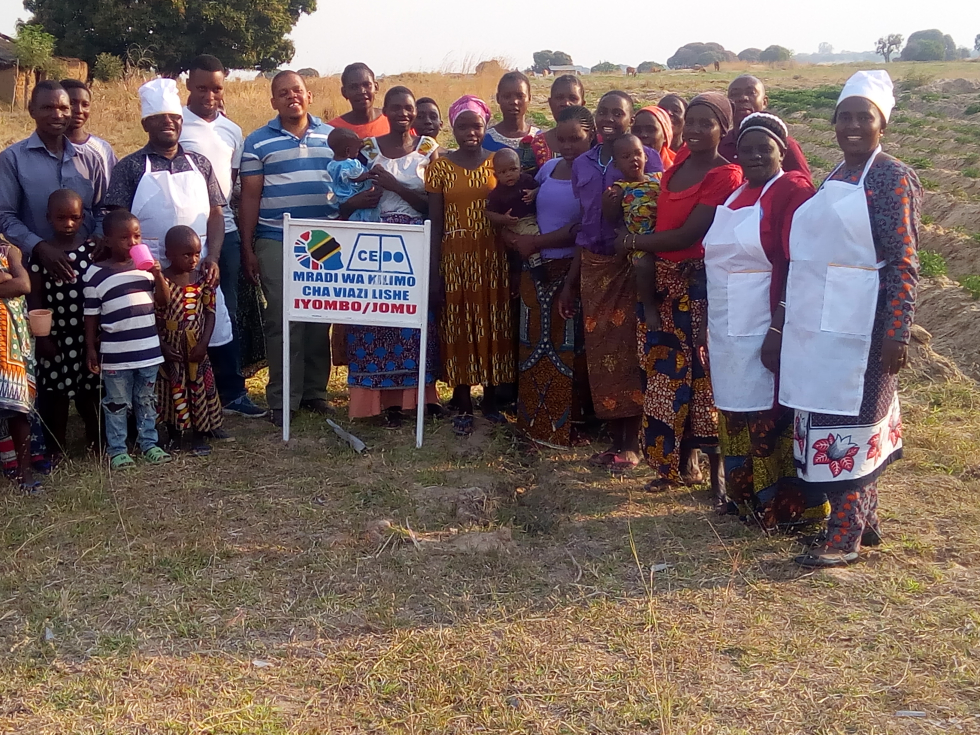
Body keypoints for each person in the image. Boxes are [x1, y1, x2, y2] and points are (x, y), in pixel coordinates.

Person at [779, 71, 920, 567]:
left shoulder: (891, 177)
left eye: (866, 117)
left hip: (865, 321)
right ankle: (864, 520)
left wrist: (897, 331)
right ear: (834, 122)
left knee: (853, 421)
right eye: (846, 117)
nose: (854, 125)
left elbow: (904, 259)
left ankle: (844, 536)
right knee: (828, 414)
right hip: (821, 319)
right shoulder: (836, 173)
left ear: (882, 124)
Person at [699, 112, 826, 531]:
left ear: (782, 152)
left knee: (769, 413)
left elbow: (799, 264)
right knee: (735, 409)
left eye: (764, 149)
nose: (754, 156)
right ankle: (746, 500)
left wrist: (778, 327)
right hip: (726, 325)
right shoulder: (737, 195)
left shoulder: (792, 189)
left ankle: (784, 509)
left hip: (765, 320)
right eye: (747, 148)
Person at [622, 92, 742, 497]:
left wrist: (635, 242)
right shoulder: (676, 171)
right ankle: (674, 465)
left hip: (697, 285)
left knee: (702, 377)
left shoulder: (726, 175)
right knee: (665, 378)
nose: (693, 130)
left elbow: (691, 234)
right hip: (662, 282)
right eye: (689, 122)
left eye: (704, 123)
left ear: (722, 129)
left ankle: (715, 475)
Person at [105, 78, 236, 440]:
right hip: (148, 275)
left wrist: (212, 256)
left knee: (200, 344)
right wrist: (142, 267)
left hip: (196, 270)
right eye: (160, 118)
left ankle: (206, 418)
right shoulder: (130, 167)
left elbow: (215, 214)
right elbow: (117, 222)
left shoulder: (199, 162)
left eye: (174, 118)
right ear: (146, 123)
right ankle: (161, 424)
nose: (169, 124)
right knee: (158, 350)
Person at [240, 71, 339, 427]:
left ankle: (315, 393)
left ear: (309, 96)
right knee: (282, 318)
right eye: (283, 93)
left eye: (297, 91)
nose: (291, 97)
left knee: (318, 317)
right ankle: (283, 399)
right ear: (273, 102)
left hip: (324, 241)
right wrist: (249, 247)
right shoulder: (257, 142)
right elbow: (250, 196)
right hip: (275, 238)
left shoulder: (332, 138)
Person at [571, 91, 663, 472]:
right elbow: (585, 223)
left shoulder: (652, 160)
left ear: (629, 119)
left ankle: (634, 443)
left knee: (631, 351)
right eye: (603, 111)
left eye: (618, 112)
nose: (609, 118)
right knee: (603, 355)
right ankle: (615, 441)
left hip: (634, 262)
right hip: (595, 264)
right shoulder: (582, 163)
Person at [346, 86, 441, 425]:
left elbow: (432, 206)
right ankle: (377, 403)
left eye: (409, 108)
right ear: (384, 111)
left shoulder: (428, 150)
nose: (403, 113)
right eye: (396, 107)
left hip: (415, 241)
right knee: (376, 316)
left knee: (414, 322)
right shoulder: (368, 149)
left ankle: (415, 400)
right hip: (374, 242)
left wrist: (395, 185)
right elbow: (353, 186)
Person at [179, 54, 266, 419]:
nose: (210, 95)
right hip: (180, 237)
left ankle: (231, 391)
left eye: (216, 88)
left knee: (224, 310)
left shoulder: (232, 130)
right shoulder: (175, 123)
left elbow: (232, 187)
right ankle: (185, 389)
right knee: (181, 311)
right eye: (202, 87)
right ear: (189, 86)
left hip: (224, 232)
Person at [425, 95, 514, 436]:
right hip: (454, 256)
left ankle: (490, 401)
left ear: (485, 126)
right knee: (458, 324)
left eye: (476, 125)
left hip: (491, 256)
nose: (470, 132)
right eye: (462, 126)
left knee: (492, 321)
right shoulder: (440, 167)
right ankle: (462, 401)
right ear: (453, 127)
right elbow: (435, 222)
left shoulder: (498, 163)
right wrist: (434, 273)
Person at [508, 104, 592, 448]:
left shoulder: (593, 174)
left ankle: (570, 425)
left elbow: (583, 229)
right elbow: (528, 209)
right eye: (563, 138)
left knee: (569, 350)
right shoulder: (549, 169)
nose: (569, 145)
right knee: (533, 348)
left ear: (591, 136)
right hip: (536, 270)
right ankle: (535, 425)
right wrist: (518, 242)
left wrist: (535, 242)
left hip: (570, 269)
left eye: (577, 138)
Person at [83, 209, 173, 469]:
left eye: (137, 236)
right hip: (115, 355)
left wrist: (157, 275)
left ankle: (149, 443)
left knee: (146, 400)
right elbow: (91, 316)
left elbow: (163, 302)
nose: (133, 243)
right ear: (108, 240)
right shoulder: (95, 274)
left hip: (148, 351)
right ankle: (118, 449)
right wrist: (90, 348)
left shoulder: (145, 270)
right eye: (125, 238)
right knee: (116, 403)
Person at [0, 80, 107, 285]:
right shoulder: (12, 159)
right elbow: (5, 217)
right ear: (32, 110)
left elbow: (102, 208)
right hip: (35, 272)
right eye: (48, 107)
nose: (58, 115)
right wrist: (40, 247)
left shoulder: (91, 158)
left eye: (64, 108)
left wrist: (97, 237)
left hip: (89, 269)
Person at [27, 189, 101, 460]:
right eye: (61, 218)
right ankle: (56, 446)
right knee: (54, 395)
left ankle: (96, 440)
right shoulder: (41, 255)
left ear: (83, 218)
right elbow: (35, 296)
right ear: (48, 218)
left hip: (89, 335)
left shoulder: (92, 251)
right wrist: (42, 337)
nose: (68, 224)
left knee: (90, 392)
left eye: (74, 217)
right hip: (56, 336)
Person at [156, 226, 223, 456]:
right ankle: (175, 434)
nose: (193, 260)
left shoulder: (202, 279)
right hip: (172, 344)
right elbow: (155, 316)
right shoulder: (161, 280)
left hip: (196, 344)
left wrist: (203, 343)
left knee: (199, 387)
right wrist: (163, 346)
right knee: (173, 387)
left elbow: (210, 312)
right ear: (169, 254)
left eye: (196, 254)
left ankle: (200, 434)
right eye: (186, 255)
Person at [604, 134, 662, 330]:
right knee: (643, 264)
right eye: (626, 156)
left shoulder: (659, 178)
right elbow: (612, 218)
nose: (633, 159)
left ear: (646, 157)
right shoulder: (620, 188)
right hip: (637, 241)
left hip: (661, 237)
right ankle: (649, 307)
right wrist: (608, 203)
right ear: (616, 164)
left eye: (638, 153)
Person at [0, 237, 39, 492]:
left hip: (9, 343)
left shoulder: (8, 249)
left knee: (17, 407)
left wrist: (8, 280)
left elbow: (23, 284)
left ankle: (24, 473)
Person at [719, 75, 810, 179]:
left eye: (751, 93)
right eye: (735, 94)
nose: (742, 98)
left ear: (765, 102)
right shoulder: (721, 144)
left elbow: (802, 186)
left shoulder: (783, 144)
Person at [486, 148, 544, 282]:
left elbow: (541, 187)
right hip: (517, 222)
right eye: (503, 172)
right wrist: (503, 219)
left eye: (513, 170)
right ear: (496, 175)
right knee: (532, 234)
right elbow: (488, 212)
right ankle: (536, 264)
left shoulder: (526, 180)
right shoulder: (497, 193)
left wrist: (534, 193)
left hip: (533, 216)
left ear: (520, 168)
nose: (509, 175)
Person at [60, 78, 118, 180]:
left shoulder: (101, 149)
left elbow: (109, 190)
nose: (79, 110)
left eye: (85, 105)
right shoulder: (41, 148)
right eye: (72, 103)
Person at [482, 72, 540, 172]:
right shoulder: (485, 141)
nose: (514, 101)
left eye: (520, 96)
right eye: (507, 96)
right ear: (498, 98)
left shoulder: (540, 140)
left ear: (529, 98)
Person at [530, 75, 586, 169]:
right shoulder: (538, 144)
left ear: (582, 104)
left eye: (573, 98)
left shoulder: (594, 143)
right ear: (550, 103)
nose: (566, 103)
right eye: (559, 98)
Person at [327, 128, 379, 222]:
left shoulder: (332, 164)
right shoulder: (349, 164)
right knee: (363, 214)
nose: (359, 152)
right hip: (354, 194)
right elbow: (357, 178)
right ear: (347, 151)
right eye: (357, 150)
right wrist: (370, 174)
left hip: (342, 196)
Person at [328, 63, 390, 137]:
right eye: (354, 87)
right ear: (344, 92)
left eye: (366, 85)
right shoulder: (331, 130)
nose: (361, 91)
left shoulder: (392, 120)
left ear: (376, 87)